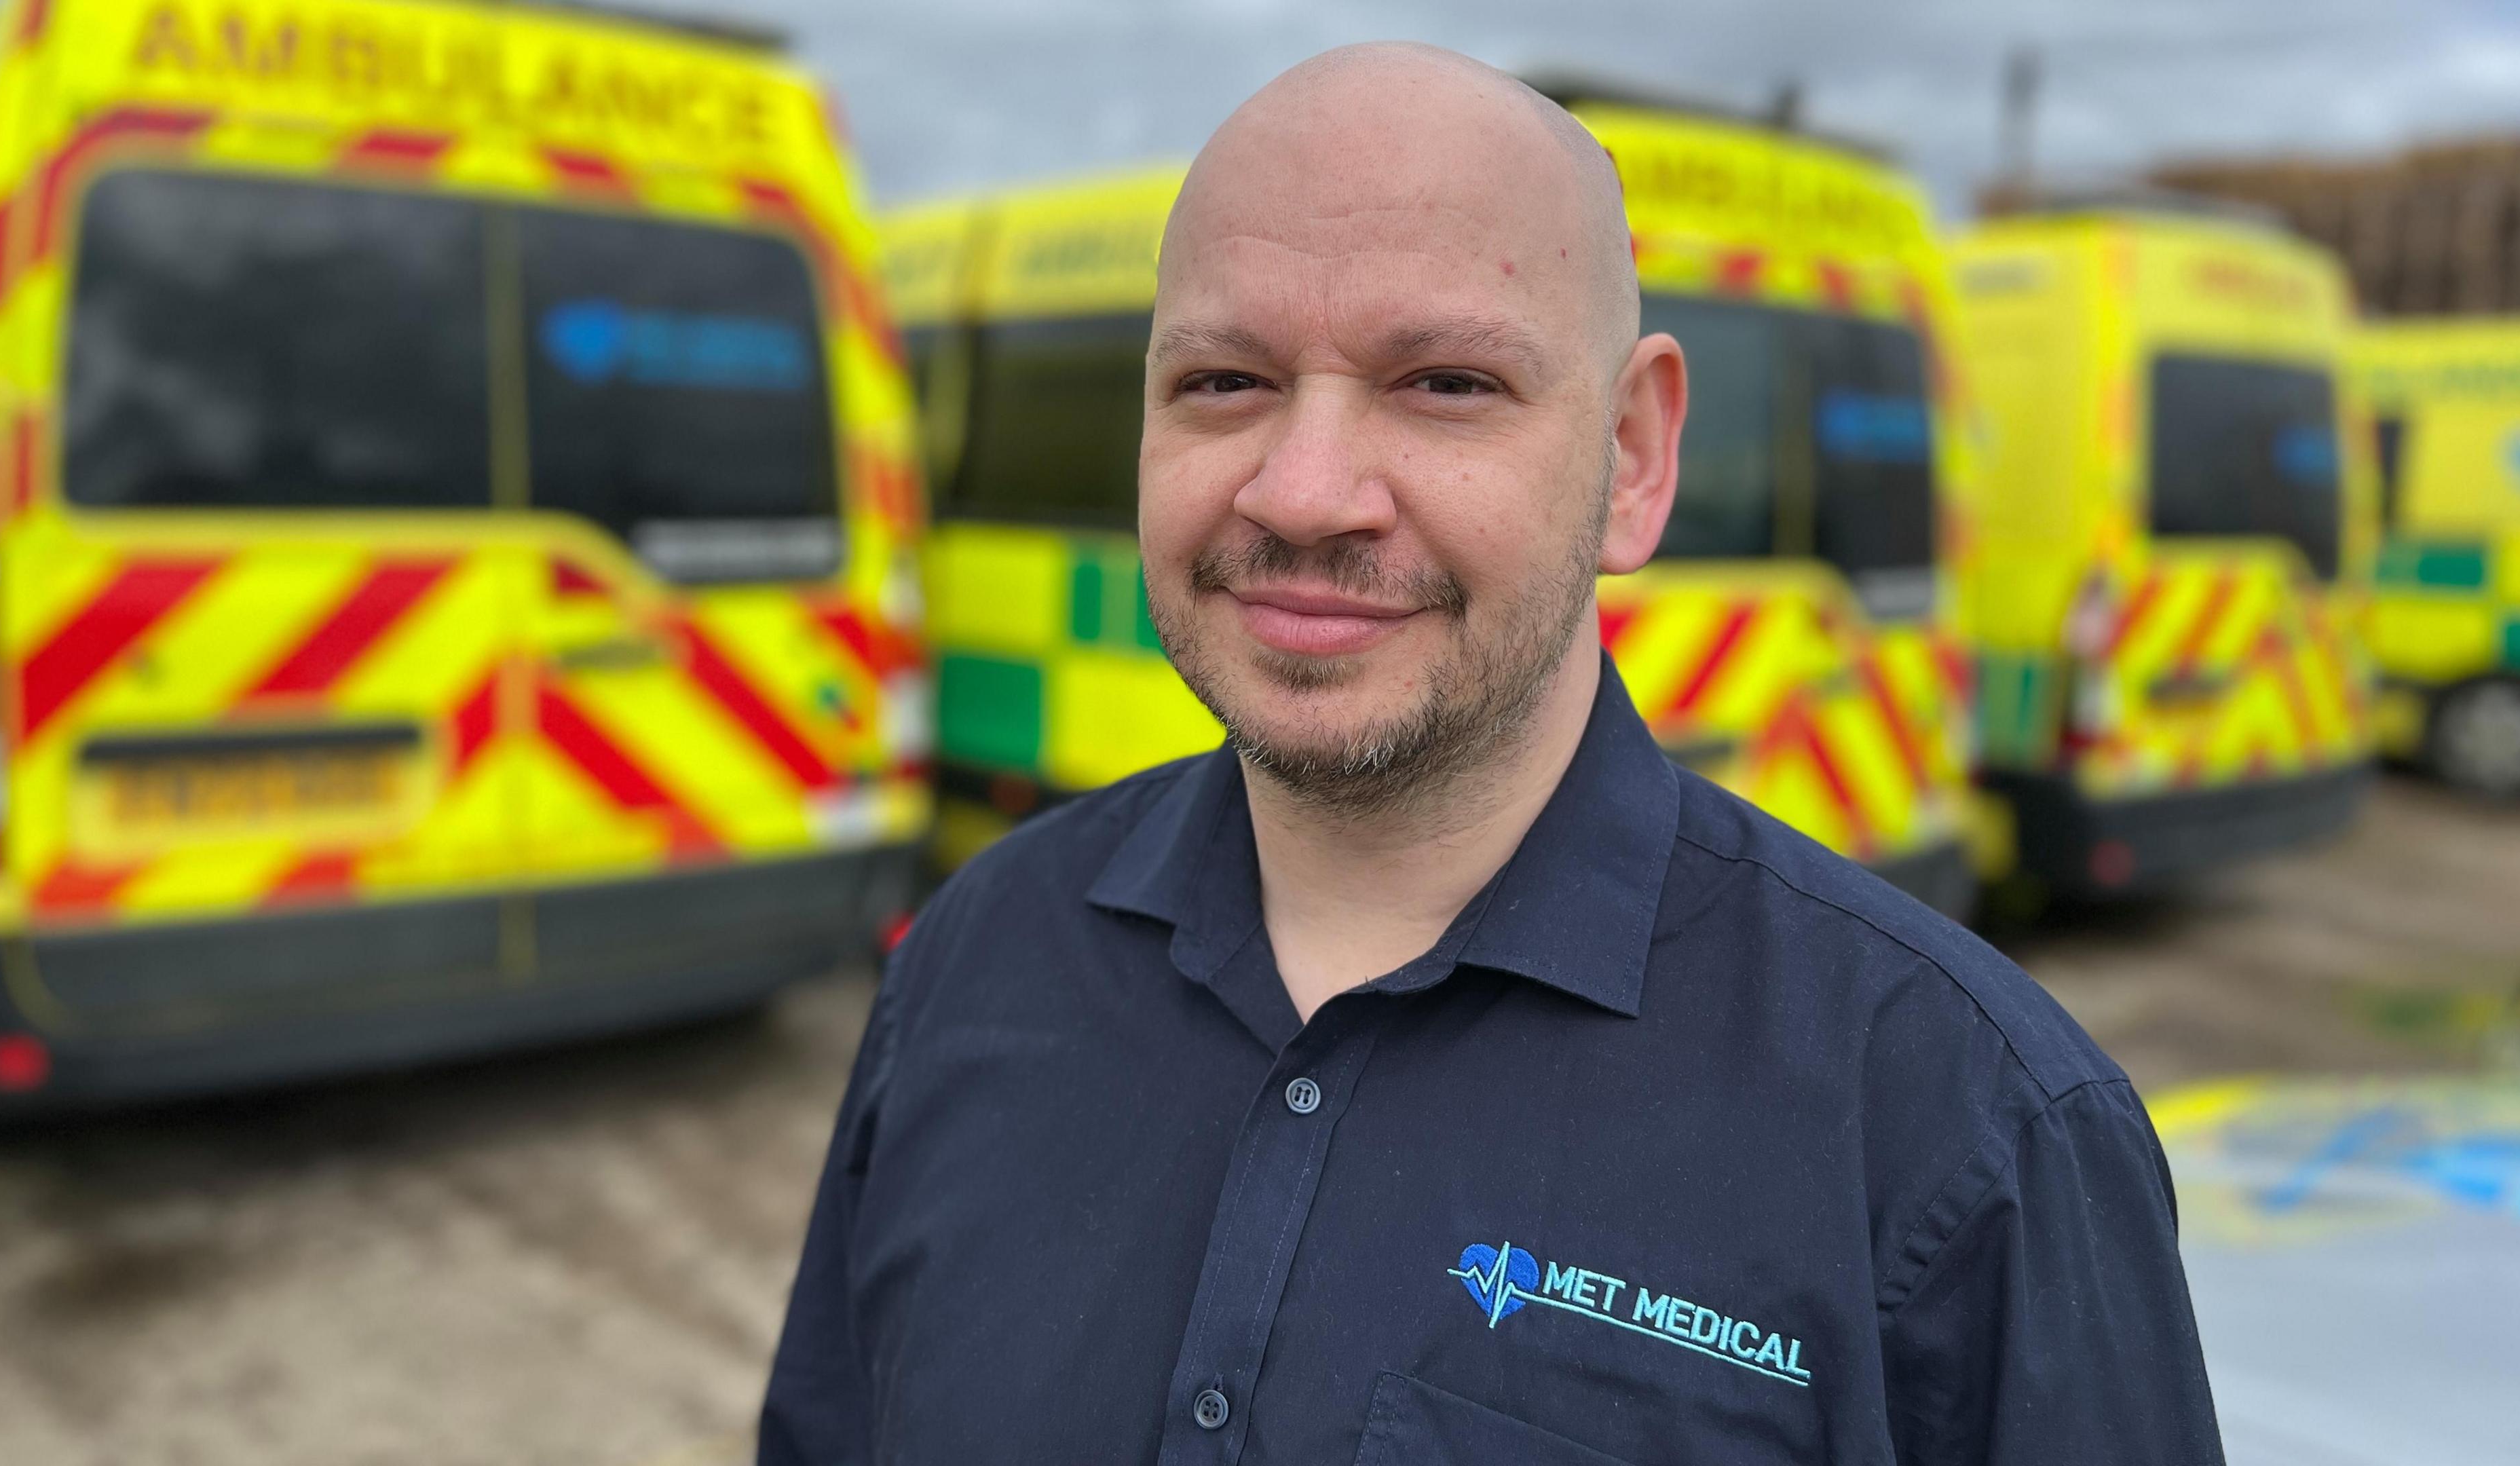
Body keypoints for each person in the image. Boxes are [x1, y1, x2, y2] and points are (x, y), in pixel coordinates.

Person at [761, 42, 2223, 1465]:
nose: (1307, 492)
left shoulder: (1974, 1138)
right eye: (1222, 383)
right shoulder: (971, 960)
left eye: (1446, 382)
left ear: (1635, 460)